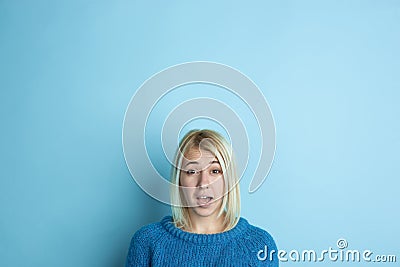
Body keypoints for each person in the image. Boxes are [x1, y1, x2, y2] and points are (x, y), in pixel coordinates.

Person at [125, 129, 278, 266]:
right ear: (179, 180)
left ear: (229, 180)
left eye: (215, 171)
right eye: (192, 171)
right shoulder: (147, 242)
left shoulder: (259, 245)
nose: (203, 183)